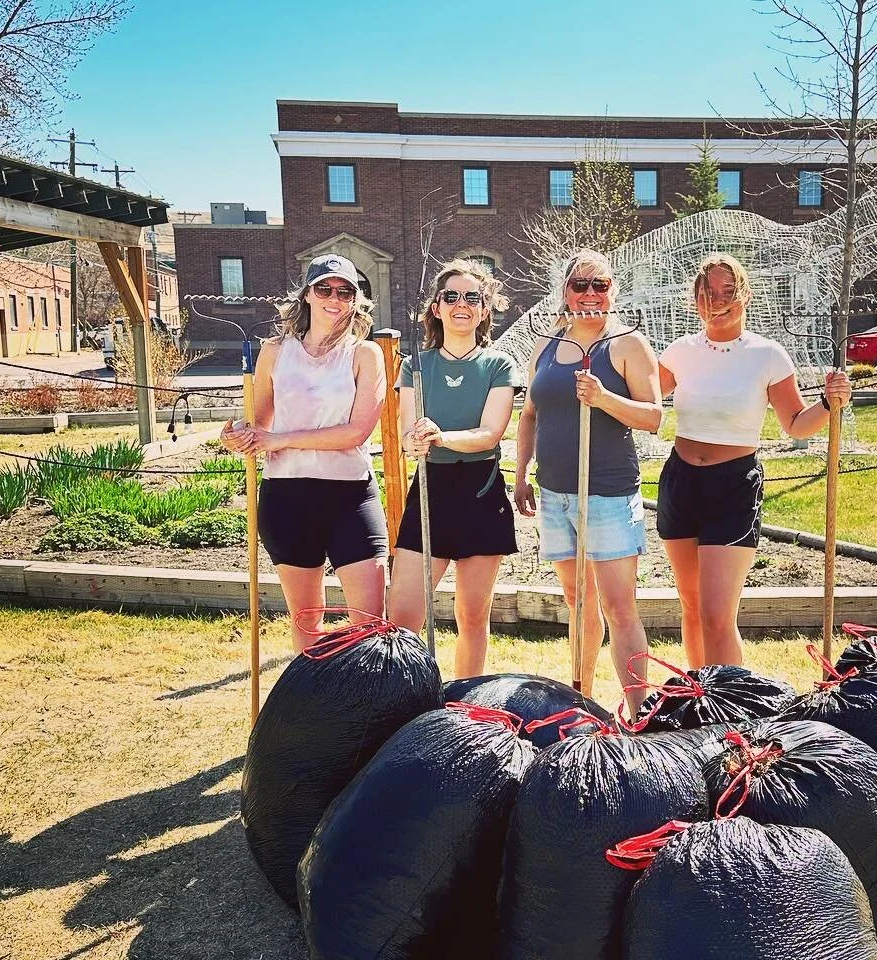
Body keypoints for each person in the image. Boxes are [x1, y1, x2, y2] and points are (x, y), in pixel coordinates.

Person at [656, 252, 851, 668]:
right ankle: (698, 700)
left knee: (717, 615)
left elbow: (796, 424)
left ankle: (735, 711)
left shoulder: (767, 355)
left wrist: (830, 402)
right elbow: (641, 397)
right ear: (696, 300)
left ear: (745, 296)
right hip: (680, 482)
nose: (719, 300)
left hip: (733, 486)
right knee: (690, 607)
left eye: (729, 291)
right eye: (709, 292)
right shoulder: (679, 352)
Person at [513, 250, 662, 712]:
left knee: (619, 608)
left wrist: (603, 398)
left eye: (601, 285)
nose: (591, 294)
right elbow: (530, 414)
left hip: (608, 494)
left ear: (613, 290)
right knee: (578, 601)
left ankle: (639, 711)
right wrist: (520, 474)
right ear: (566, 291)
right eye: (581, 285)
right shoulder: (548, 345)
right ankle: (582, 701)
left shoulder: (627, 344)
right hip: (555, 492)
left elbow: (654, 416)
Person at [221, 253, 387, 652]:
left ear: (356, 299)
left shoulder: (365, 354)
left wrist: (280, 439)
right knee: (307, 623)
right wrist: (238, 435)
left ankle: (370, 709)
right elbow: (258, 422)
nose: (335, 298)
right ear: (307, 295)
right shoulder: (275, 352)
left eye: (345, 291)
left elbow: (357, 432)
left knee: (370, 624)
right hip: (287, 495)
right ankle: (315, 711)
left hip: (350, 495)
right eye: (324, 288)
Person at [387, 259, 519, 676]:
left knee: (473, 616)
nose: (461, 304)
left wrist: (440, 437)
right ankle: (406, 703)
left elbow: (489, 434)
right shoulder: (415, 366)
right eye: (451, 296)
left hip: (480, 492)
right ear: (437, 308)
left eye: (472, 298)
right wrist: (416, 439)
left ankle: (465, 707)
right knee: (402, 619)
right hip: (430, 490)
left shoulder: (499, 365)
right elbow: (407, 437)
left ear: (484, 310)